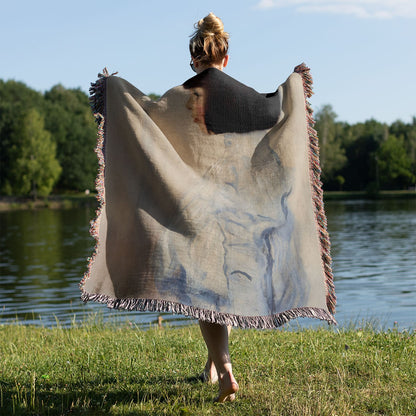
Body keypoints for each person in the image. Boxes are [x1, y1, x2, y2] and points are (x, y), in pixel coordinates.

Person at [188, 12, 239, 403]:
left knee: (205, 296)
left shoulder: (182, 95)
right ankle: (211, 365)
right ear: (225, 57)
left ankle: (225, 371)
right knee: (220, 289)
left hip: (197, 206)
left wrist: (115, 92)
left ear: (194, 60)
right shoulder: (244, 96)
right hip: (237, 207)